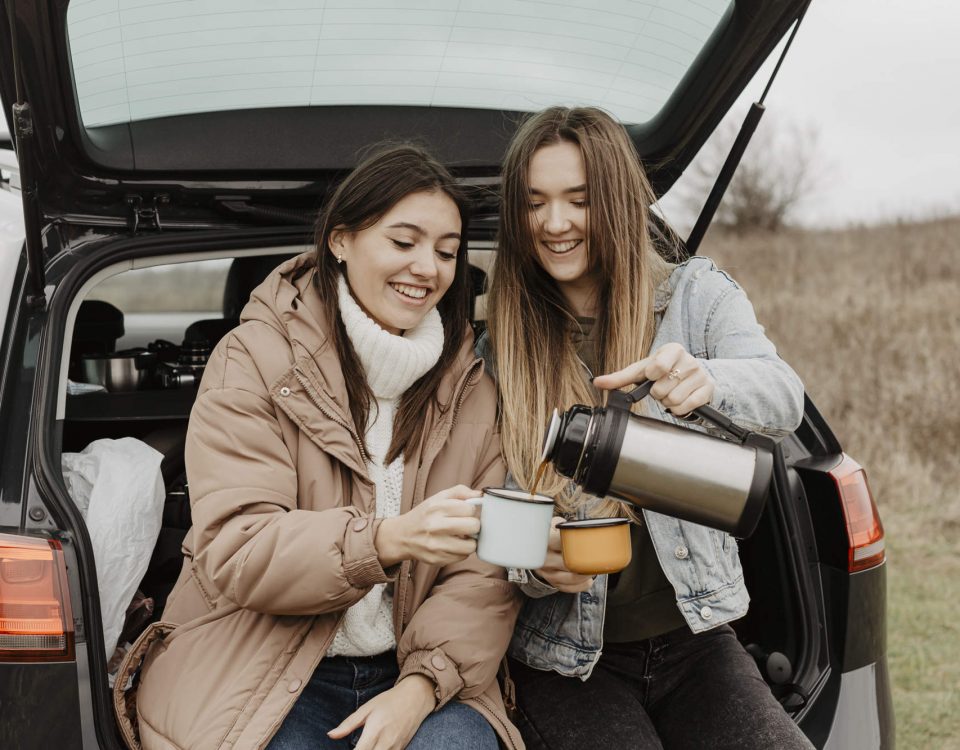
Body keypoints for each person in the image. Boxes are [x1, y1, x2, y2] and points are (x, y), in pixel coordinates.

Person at [121, 145, 524, 750]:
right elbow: (240, 548)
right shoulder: (253, 359)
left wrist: (419, 688)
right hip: (258, 664)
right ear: (340, 240)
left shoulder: (472, 386)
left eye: (446, 252)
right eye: (403, 241)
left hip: (420, 668)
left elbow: (484, 573)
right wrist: (386, 540)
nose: (427, 268)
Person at [480, 106, 815, 749]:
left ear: (615, 201)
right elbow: (485, 511)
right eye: (535, 203)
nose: (554, 223)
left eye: (578, 200)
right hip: (563, 659)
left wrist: (710, 382)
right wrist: (534, 567)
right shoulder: (503, 350)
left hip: (697, 640)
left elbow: (784, 395)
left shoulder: (697, 296)